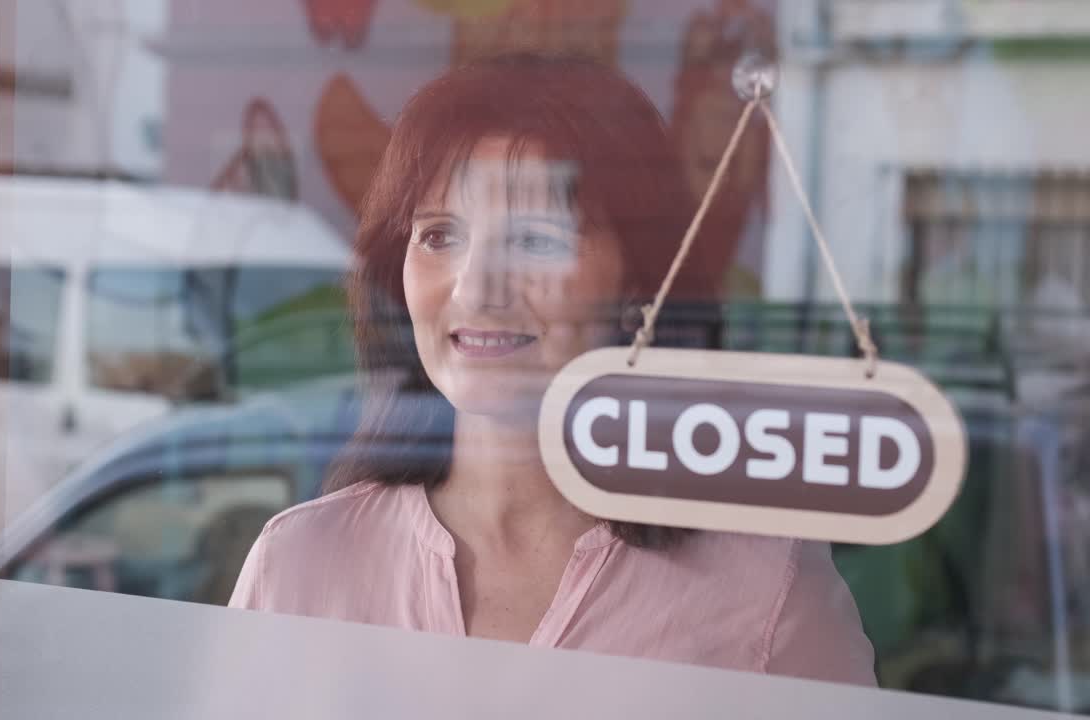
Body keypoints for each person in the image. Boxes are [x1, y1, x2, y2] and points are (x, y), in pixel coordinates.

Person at [230, 53, 875, 685]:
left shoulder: (766, 591)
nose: (478, 289)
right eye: (438, 235)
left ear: (638, 284)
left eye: (537, 239)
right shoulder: (299, 566)